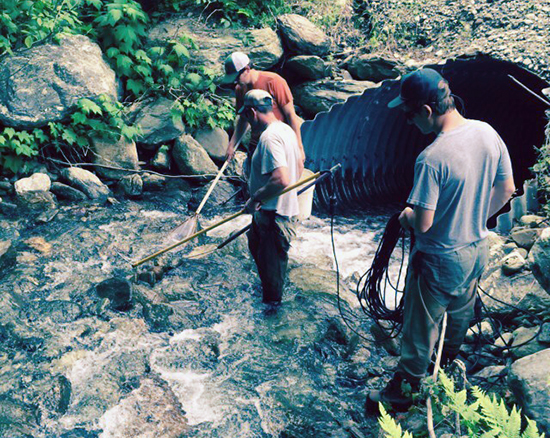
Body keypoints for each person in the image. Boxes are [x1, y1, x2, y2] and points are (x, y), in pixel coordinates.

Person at [366, 68, 516, 413]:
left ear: (426, 112)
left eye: (408, 114)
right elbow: (506, 188)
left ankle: (402, 394)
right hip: (477, 248)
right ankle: (445, 368)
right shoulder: (486, 132)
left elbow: (424, 222)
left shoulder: (432, 159)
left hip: (439, 258)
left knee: (419, 327)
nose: (407, 123)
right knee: (459, 313)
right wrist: (477, 216)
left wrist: (405, 216)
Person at [240, 89, 301, 308]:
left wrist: (254, 198)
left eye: (245, 116)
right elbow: (299, 167)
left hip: (274, 217)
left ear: (252, 113)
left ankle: (274, 327)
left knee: (272, 294)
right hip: (270, 214)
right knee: (255, 245)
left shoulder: (269, 138)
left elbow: (281, 179)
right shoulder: (286, 130)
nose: (246, 121)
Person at [220, 52, 305, 171]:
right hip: (256, 143)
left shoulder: (274, 81)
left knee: (278, 181)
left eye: (236, 78)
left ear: (247, 69)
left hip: (278, 142)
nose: (235, 82)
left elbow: (290, 115)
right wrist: (231, 145)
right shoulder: (240, 89)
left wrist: (299, 148)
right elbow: (243, 119)